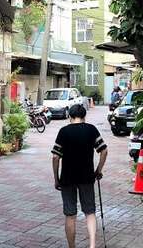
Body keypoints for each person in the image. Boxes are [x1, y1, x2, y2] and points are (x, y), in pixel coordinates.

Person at [51, 104, 108, 248]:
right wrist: (98, 170)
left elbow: (55, 157)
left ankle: (72, 247)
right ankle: (92, 246)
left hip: (67, 178)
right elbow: (104, 151)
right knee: (90, 212)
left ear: (70, 116)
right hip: (87, 177)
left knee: (70, 215)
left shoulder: (63, 131)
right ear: (84, 116)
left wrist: (56, 178)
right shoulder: (91, 129)